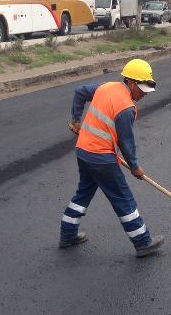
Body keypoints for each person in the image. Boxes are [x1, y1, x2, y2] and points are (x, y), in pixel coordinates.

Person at [59, 59, 165, 257]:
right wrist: (134, 167)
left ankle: (67, 234)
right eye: (141, 89)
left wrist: (76, 119)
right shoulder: (126, 107)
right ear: (130, 82)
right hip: (101, 158)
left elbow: (80, 92)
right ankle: (143, 242)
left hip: (83, 151)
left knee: (84, 192)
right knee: (123, 198)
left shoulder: (106, 87)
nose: (144, 94)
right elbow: (126, 143)